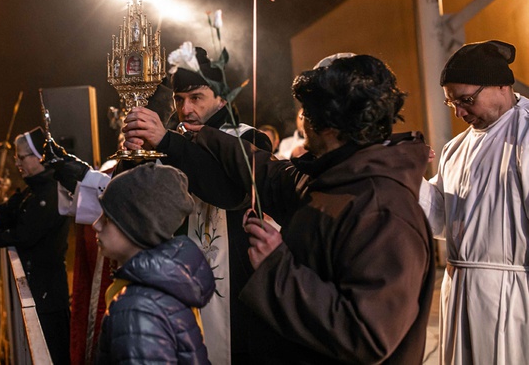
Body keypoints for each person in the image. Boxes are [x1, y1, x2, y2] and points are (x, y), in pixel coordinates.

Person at [128, 54, 436, 363]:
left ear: (329, 121)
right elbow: (267, 174)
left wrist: (275, 265)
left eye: (307, 111)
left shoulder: (382, 209)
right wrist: (196, 136)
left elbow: (367, 335)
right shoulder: (336, 176)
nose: (301, 120)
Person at [121, 44, 272, 364]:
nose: (185, 109)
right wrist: (132, 157)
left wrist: (165, 142)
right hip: (178, 281)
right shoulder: (172, 139)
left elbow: (228, 193)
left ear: (221, 98)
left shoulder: (250, 138)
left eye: (196, 98)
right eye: (178, 99)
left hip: (236, 291)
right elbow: (137, 201)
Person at [419, 39, 529, 364]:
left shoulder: (525, 136)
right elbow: (441, 218)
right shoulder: (456, 148)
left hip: (512, 294)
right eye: (451, 103)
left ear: (500, 84)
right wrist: (406, 176)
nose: (460, 112)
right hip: (460, 288)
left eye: (466, 100)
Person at [0, 127, 71, 365]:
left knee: (52, 354)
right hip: (39, 289)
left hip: (48, 294)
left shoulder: (50, 191)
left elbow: (23, 236)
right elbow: (1, 219)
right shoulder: (34, 189)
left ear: (40, 157)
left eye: (21, 156)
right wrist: (14, 198)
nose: (16, 161)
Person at [92, 162, 215, 364]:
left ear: (137, 225)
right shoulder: (162, 285)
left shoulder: (138, 309)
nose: (95, 224)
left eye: (107, 218)